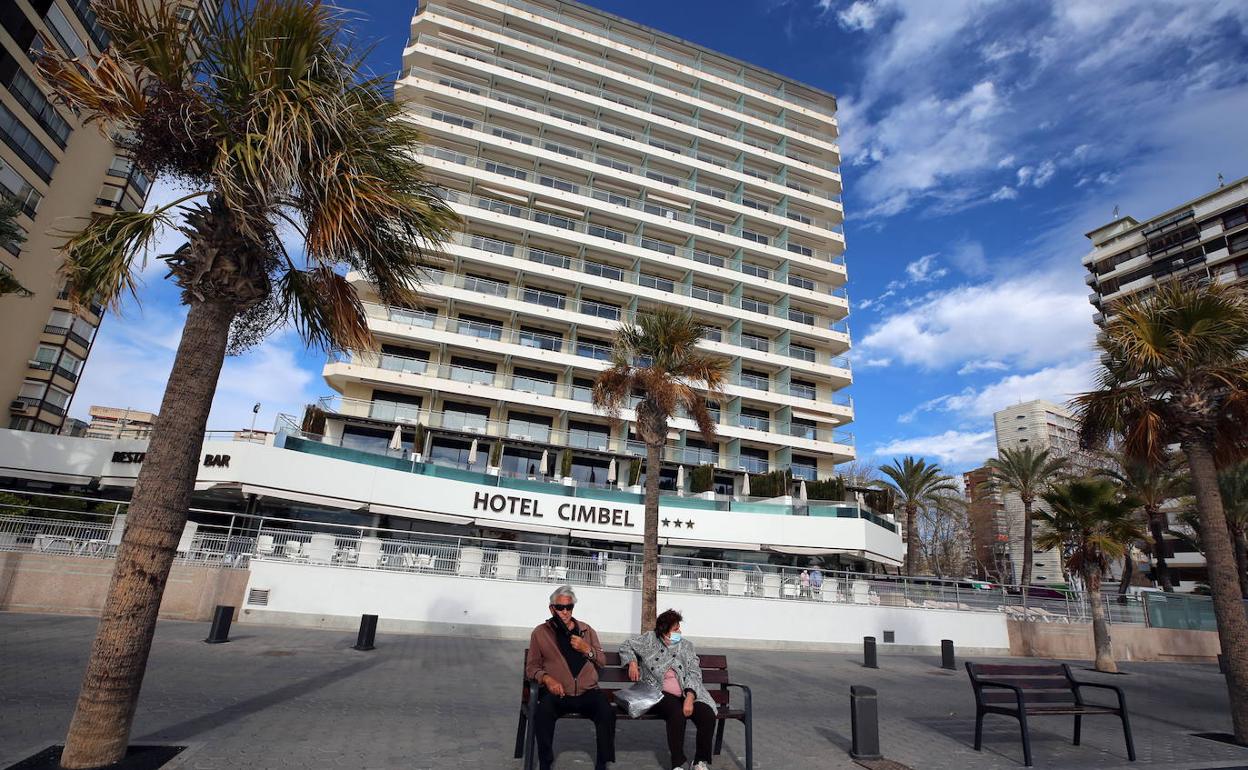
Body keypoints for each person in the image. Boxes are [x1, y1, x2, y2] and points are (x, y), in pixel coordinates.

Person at [525, 586, 616, 770]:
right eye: (560, 607)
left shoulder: (586, 630)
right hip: (559, 693)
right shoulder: (541, 633)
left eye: (569, 607)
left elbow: (602, 661)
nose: (565, 611)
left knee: (607, 712)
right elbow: (532, 667)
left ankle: (602, 763)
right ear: (552, 608)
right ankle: (545, 763)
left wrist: (586, 649)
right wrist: (547, 679)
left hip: (587, 692)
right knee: (542, 714)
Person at [620, 609, 717, 770]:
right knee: (676, 713)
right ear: (664, 631)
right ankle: (677, 763)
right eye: (675, 629)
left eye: (679, 627)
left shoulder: (686, 646)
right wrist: (632, 662)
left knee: (707, 714)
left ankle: (699, 761)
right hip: (658, 691)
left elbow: (694, 672)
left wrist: (690, 697)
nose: (680, 631)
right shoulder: (650, 640)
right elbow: (627, 645)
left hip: (688, 691)